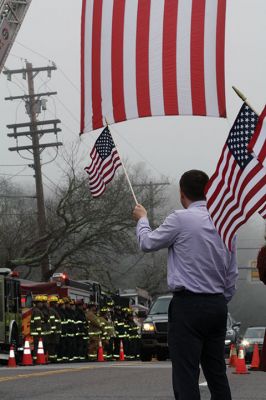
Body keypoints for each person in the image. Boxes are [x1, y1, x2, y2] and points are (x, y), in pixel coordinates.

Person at [133, 169, 238, 400]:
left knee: (186, 375)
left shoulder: (180, 219)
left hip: (188, 305)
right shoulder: (225, 222)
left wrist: (142, 219)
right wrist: (219, 299)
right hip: (217, 304)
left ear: (182, 194)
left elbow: (147, 243)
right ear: (208, 192)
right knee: (217, 375)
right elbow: (232, 273)